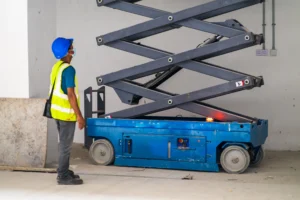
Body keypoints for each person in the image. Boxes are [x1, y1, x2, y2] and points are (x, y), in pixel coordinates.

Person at [49, 37, 85, 185]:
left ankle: (64, 170)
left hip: (57, 112)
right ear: (67, 51)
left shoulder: (57, 67)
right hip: (66, 114)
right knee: (65, 146)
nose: (73, 48)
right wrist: (79, 116)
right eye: (71, 47)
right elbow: (70, 95)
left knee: (64, 144)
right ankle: (62, 176)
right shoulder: (69, 70)